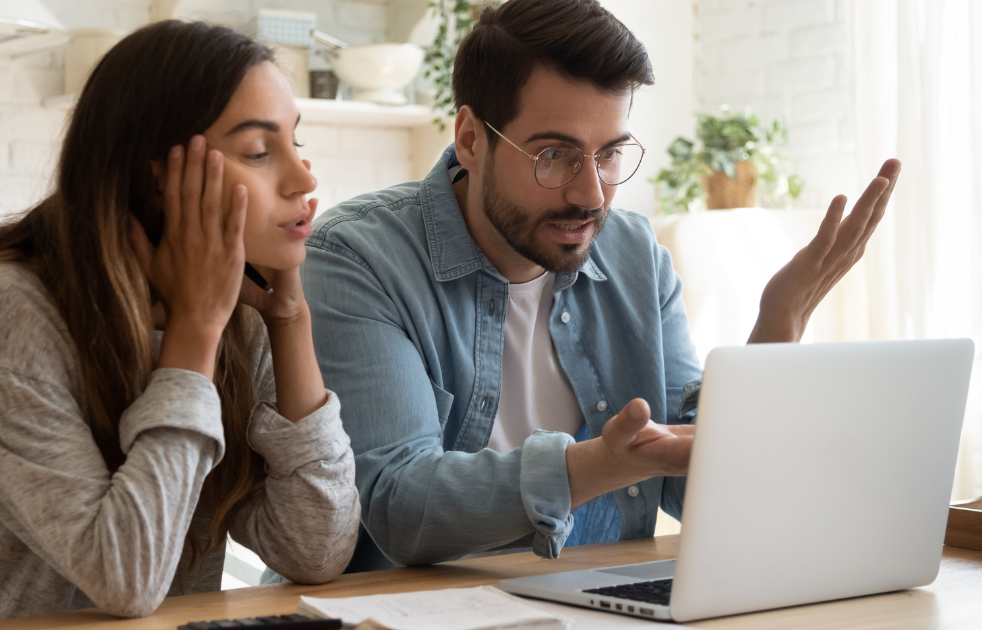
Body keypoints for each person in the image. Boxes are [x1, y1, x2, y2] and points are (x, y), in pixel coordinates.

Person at [301, 0, 900, 574]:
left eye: (610, 153)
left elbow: (692, 490)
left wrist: (780, 324)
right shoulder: (358, 258)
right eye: (554, 154)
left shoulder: (636, 255)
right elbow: (396, 506)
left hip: (597, 604)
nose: (590, 194)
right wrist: (593, 466)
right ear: (470, 139)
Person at [0, 21, 359, 629]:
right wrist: (194, 331)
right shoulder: (7, 306)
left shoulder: (245, 319)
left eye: (296, 142)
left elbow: (315, 551)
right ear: (159, 177)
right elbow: (126, 578)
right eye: (259, 152)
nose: (304, 179)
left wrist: (290, 321)